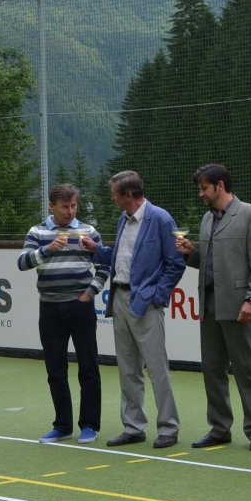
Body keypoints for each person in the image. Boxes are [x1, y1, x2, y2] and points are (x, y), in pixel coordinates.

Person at [81, 170, 185, 449]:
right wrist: (96, 248)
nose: (112, 198)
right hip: (119, 299)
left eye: (114, 194)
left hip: (146, 303)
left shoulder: (161, 218)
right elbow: (120, 259)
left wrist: (156, 296)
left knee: (157, 368)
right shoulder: (123, 219)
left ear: (128, 195)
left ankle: (168, 428)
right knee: (128, 369)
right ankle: (134, 427)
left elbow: (176, 263)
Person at [175, 164, 251, 452]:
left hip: (239, 304)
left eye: (204, 188)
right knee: (212, 369)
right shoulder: (207, 218)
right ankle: (219, 428)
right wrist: (190, 253)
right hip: (209, 304)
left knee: (247, 369)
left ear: (220, 186)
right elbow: (209, 260)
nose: (200, 193)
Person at [18, 183, 110, 445]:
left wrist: (90, 292)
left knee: (88, 367)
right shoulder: (37, 232)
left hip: (81, 307)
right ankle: (62, 426)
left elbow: (105, 265)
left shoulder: (88, 231)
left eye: (74, 206)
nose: (70, 211)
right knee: (55, 370)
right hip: (49, 308)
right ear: (51, 206)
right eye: (65, 207)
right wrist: (47, 250)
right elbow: (22, 263)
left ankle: (89, 425)